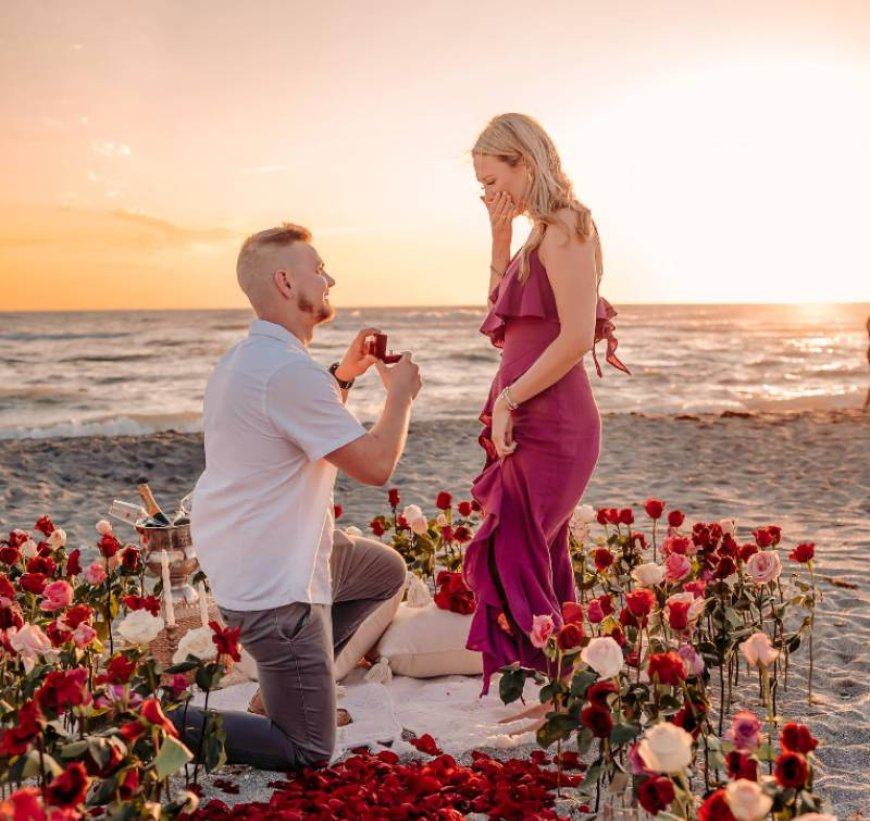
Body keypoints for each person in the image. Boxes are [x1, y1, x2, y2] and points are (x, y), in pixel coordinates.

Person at [176, 223, 421, 770]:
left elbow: (293, 418)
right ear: (286, 282)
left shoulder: (248, 361)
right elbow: (377, 466)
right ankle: (166, 722)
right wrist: (400, 396)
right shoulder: (289, 373)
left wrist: (344, 376)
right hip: (276, 589)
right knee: (307, 748)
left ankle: (285, 684)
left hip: (251, 555)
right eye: (318, 267)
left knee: (383, 570)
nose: (329, 277)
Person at [462, 114, 629, 695]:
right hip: (528, 409)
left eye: (494, 179)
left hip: (553, 420)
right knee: (540, 558)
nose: (490, 193)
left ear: (524, 164)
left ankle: (572, 690)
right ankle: (564, 692)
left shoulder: (567, 228)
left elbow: (578, 336)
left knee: (518, 551)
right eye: (480, 185)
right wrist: (499, 237)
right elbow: (505, 323)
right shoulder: (539, 233)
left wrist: (508, 400)